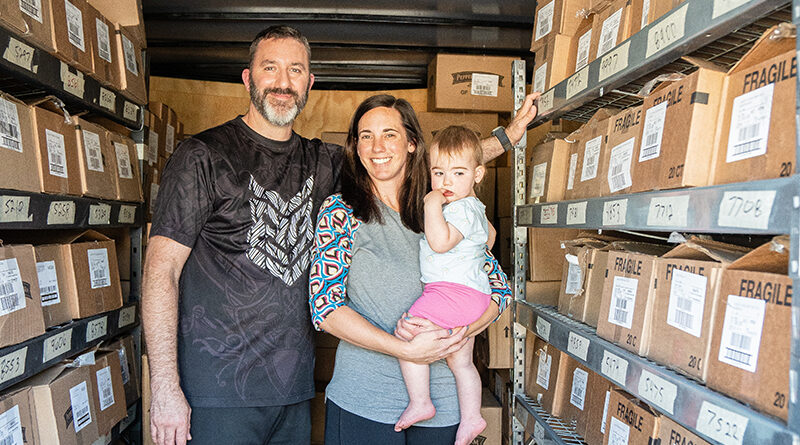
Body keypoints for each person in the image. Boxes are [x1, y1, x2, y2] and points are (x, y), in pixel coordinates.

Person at [143, 23, 539, 445]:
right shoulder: (203, 155)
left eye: (295, 70)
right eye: (270, 68)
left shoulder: (324, 163)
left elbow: (443, 167)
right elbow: (161, 270)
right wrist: (165, 388)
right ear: (247, 77)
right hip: (218, 388)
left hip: (293, 387)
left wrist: (508, 137)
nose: (283, 82)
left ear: (309, 82)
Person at [308, 94, 537, 444]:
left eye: (390, 134)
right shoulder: (341, 211)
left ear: (413, 144)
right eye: (365, 136)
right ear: (355, 146)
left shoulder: (444, 209)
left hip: (445, 404)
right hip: (365, 399)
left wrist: (452, 335)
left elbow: (498, 290)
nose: (377, 146)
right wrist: (406, 349)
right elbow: (324, 307)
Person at [394, 126, 496, 445]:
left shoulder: (462, 209)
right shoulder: (472, 209)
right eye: (438, 173)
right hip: (470, 294)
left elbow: (439, 243)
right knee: (461, 361)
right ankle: (471, 418)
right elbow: (490, 238)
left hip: (452, 294)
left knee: (409, 337)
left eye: (458, 172)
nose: (446, 182)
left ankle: (421, 401)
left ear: (478, 174)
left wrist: (430, 204)